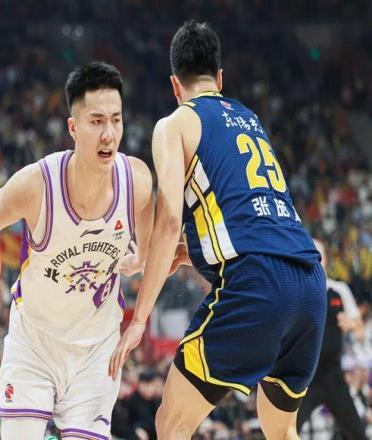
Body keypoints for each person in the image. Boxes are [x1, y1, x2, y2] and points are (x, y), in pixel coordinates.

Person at [109, 21, 327, 439]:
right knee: (282, 430)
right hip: (309, 284)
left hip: (259, 283)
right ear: (220, 78)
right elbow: (252, 222)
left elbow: (169, 218)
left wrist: (139, 319)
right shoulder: (249, 118)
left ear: (175, 85)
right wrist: (186, 252)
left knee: (171, 423)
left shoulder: (176, 123)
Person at [0, 61, 154, 439]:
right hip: (34, 343)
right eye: (96, 121)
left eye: (116, 120)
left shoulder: (136, 180)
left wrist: (140, 259)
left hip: (98, 351)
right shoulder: (36, 185)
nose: (109, 134)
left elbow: (151, 241)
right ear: (73, 127)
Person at [297, 239, 366, 439]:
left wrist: (351, 324)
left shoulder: (339, 290)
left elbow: (360, 331)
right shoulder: (297, 292)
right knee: (285, 431)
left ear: (326, 259)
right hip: (305, 376)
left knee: (357, 432)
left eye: (319, 256)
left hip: (332, 374)